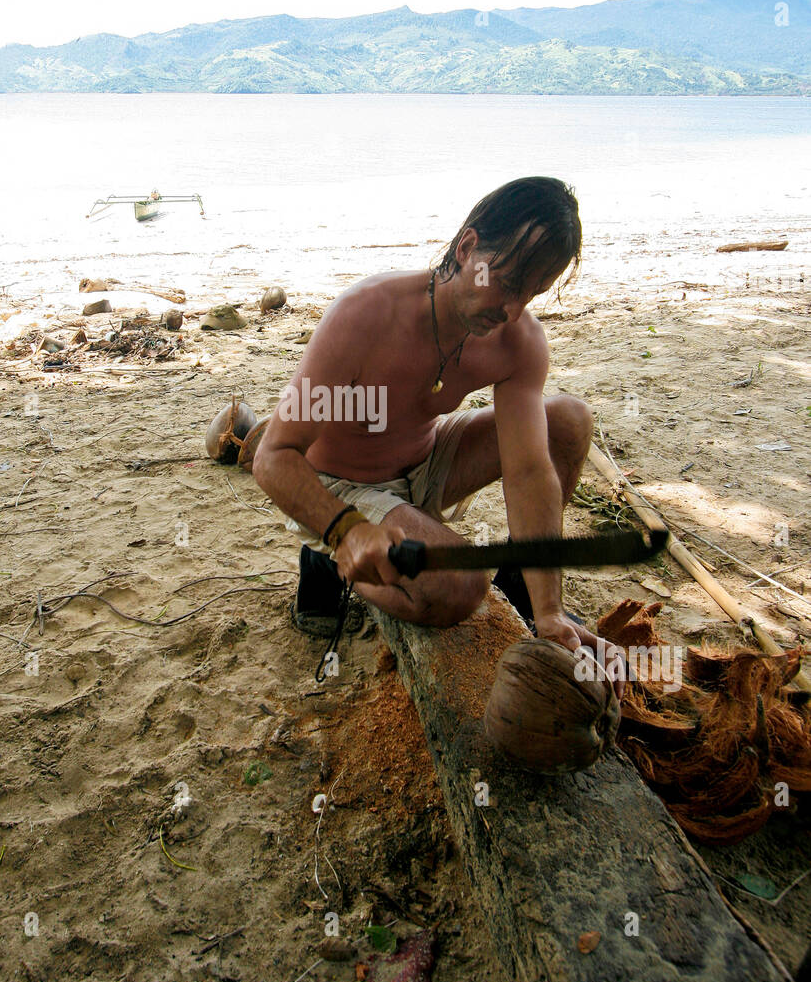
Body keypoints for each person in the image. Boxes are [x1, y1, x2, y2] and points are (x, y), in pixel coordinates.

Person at [252, 176, 627, 693]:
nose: (512, 310)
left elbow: (529, 469)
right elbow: (273, 456)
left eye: (533, 294)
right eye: (508, 283)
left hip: (426, 463)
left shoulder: (517, 341)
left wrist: (550, 613)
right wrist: (346, 530)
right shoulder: (366, 313)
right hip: (343, 484)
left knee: (567, 420)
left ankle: (522, 587)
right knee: (460, 584)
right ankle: (328, 557)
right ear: (468, 247)